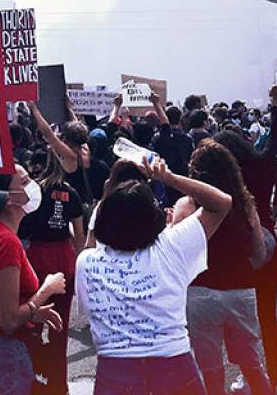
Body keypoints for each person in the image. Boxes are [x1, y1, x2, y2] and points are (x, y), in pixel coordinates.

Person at [75, 157, 233, 395]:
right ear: (155, 216)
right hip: (174, 367)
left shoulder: (87, 262)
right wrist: (167, 177)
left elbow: (87, 310)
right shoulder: (171, 247)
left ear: (104, 219)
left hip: (115, 373)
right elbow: (221, 203)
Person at [172, 140, 272, 394]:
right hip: (241, 290)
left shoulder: (186, 206)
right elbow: (260, 254)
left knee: (209, 369)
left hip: (200, 292)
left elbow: (175, 256)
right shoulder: (245, 203)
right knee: (252, 364)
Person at [212, 88, 277, 392]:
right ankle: (275, 376)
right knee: (268, 316)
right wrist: (276, 108)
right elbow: (275, 143)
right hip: (268, 246)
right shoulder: (263, 167)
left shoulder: (223, 181)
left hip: (240, 251)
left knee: (242, 320)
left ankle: (250, 374)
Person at [0, 163, 67, 395]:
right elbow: (8, 321)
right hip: (6, 354)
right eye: (24, 182)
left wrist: (35, 313)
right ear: (8, 199)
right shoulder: (7, 242)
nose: (33, 186)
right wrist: (46, 289)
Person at [18, 149, 86, 393]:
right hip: (63, 258)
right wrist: (76, 260)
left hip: (37, 257)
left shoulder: (35, 192)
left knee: (31, 321)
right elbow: (80, 234)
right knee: (60, 326)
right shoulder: (72, 193)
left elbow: (22, 227)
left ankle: (31, 377)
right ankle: (59, 383)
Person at [28, 101, 94, 206]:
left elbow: (48, 134)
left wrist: (34, 109)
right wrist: (69, 109)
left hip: (71, 202)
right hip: (82, 200)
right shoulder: (85, 149)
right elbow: (78, 128)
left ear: (68, 139)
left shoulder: (70, 155)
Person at [151, 104, 194, 206]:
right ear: (180, 120)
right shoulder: (188, 139)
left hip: (163, 176)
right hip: (182, 178)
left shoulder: (157, 138)